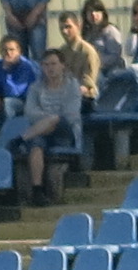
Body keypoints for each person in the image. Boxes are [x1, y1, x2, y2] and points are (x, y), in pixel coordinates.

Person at [7, 48, 85, 202]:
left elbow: (71, 114)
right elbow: (30, 112)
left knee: (55, 119)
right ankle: (37, 189)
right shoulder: (36, 88)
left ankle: (21, 139)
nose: (50, 68)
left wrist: (51, 119)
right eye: (46, 65)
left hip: (66, 130)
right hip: (42, 130)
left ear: (62, 65)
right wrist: (48, 120)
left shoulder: (72, 85)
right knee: (36, 145)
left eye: (54, 64)